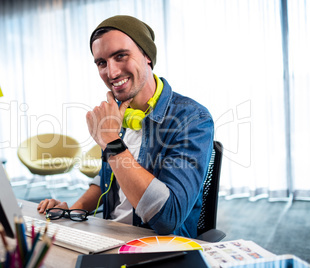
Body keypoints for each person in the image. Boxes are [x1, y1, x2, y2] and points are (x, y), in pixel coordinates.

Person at [37, 15, 214, 238]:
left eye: (121, 56)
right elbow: (104, 180)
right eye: (101, 63)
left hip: (158, 248)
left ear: (147, 56)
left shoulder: (192, 118)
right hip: (109, 238)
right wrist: (72, 211)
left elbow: (169, 218)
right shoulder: (116, 113)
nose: (111, 73)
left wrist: (112, 143)